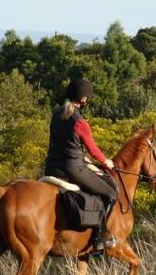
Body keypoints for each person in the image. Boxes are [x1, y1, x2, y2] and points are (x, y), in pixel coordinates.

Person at [43, 79, 118, 251]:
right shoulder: (80, 122)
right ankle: (99, 237)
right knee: (111, 192)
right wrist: (106, 162)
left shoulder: (56, 114)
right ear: (83, 99)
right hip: (73, 168)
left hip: (52, 167)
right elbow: (93, 150)